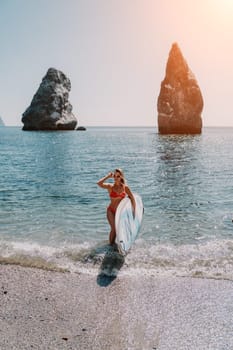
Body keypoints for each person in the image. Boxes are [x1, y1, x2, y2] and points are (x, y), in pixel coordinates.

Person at [97, 168, 136, 245]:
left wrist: (133, 212)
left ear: (121, 177)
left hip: (120, 212)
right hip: (111, 211)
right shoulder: (110, 187)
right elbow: (99, 183)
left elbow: (132, 199)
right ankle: (110, 245)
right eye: (114, 176)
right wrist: (107, 176)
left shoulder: (125, 188)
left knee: (121, 229)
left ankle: (122, 244)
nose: (115, 178)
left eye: (118, 176)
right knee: (114, 229)